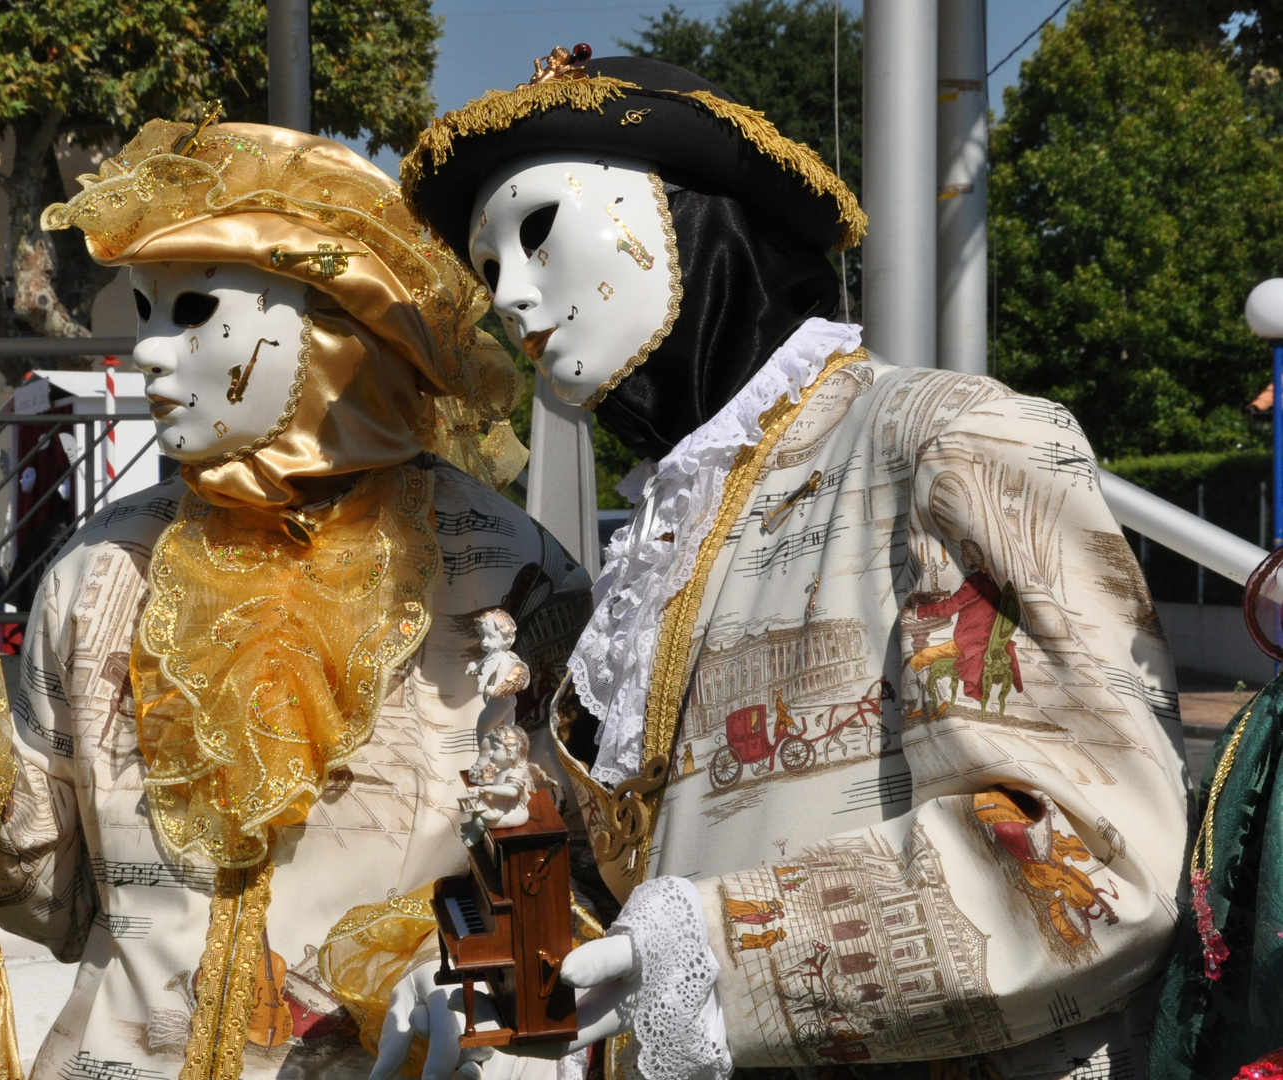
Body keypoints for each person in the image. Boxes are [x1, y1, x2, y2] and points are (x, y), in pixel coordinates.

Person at [388, 48, 1189, 1080]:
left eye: (541, 231)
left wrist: (699, 955)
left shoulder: (946, 443)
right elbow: (640, 880)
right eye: (489, 267)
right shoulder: (651, 556)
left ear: (695, 217)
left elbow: (1098, 858)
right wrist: (522, 982)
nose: (512, 295)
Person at [0, 118, 593, 1080]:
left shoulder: (509, 575)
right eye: (144, 309)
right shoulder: (104, 568)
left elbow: (583, 887)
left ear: (332, 329)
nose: (149, 350)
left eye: (193, 310)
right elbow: (67, 897)